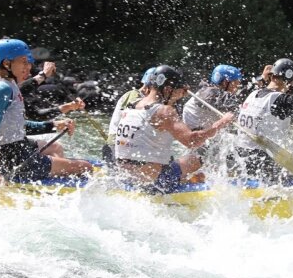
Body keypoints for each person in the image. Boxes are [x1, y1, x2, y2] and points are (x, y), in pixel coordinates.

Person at [0, 38, 92, 185]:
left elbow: (16, 126)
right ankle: (45, 185)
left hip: (13, 149)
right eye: (24, 62)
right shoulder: (3, 89)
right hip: (13, 158)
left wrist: (54, 125)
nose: (29, 66)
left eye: (29, 62)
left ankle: (49, 178)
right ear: (6, 63)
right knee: (86, 167)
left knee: (55, 147)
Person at [114, 65, 235, 193]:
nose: (181, 95)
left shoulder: (132, 105)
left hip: (126, 176)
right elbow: (192, 141)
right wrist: (222, 122)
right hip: (155, 181)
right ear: (167, 89)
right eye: (179, 91)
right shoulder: (164, 112)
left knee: (172, 160)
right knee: (196, 159)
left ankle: (187, 180)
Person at [102, 67, 155, 162]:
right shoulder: (134, 97)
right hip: (117, 148)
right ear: (151, 86)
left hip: (124, 147)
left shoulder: (141, 97)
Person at [183, 64, 243, 130]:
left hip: (196, 132)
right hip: (198, 135)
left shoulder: (204, 90)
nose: (237, 87)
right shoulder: (212, 93)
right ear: (225, 83)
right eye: (236, 83)